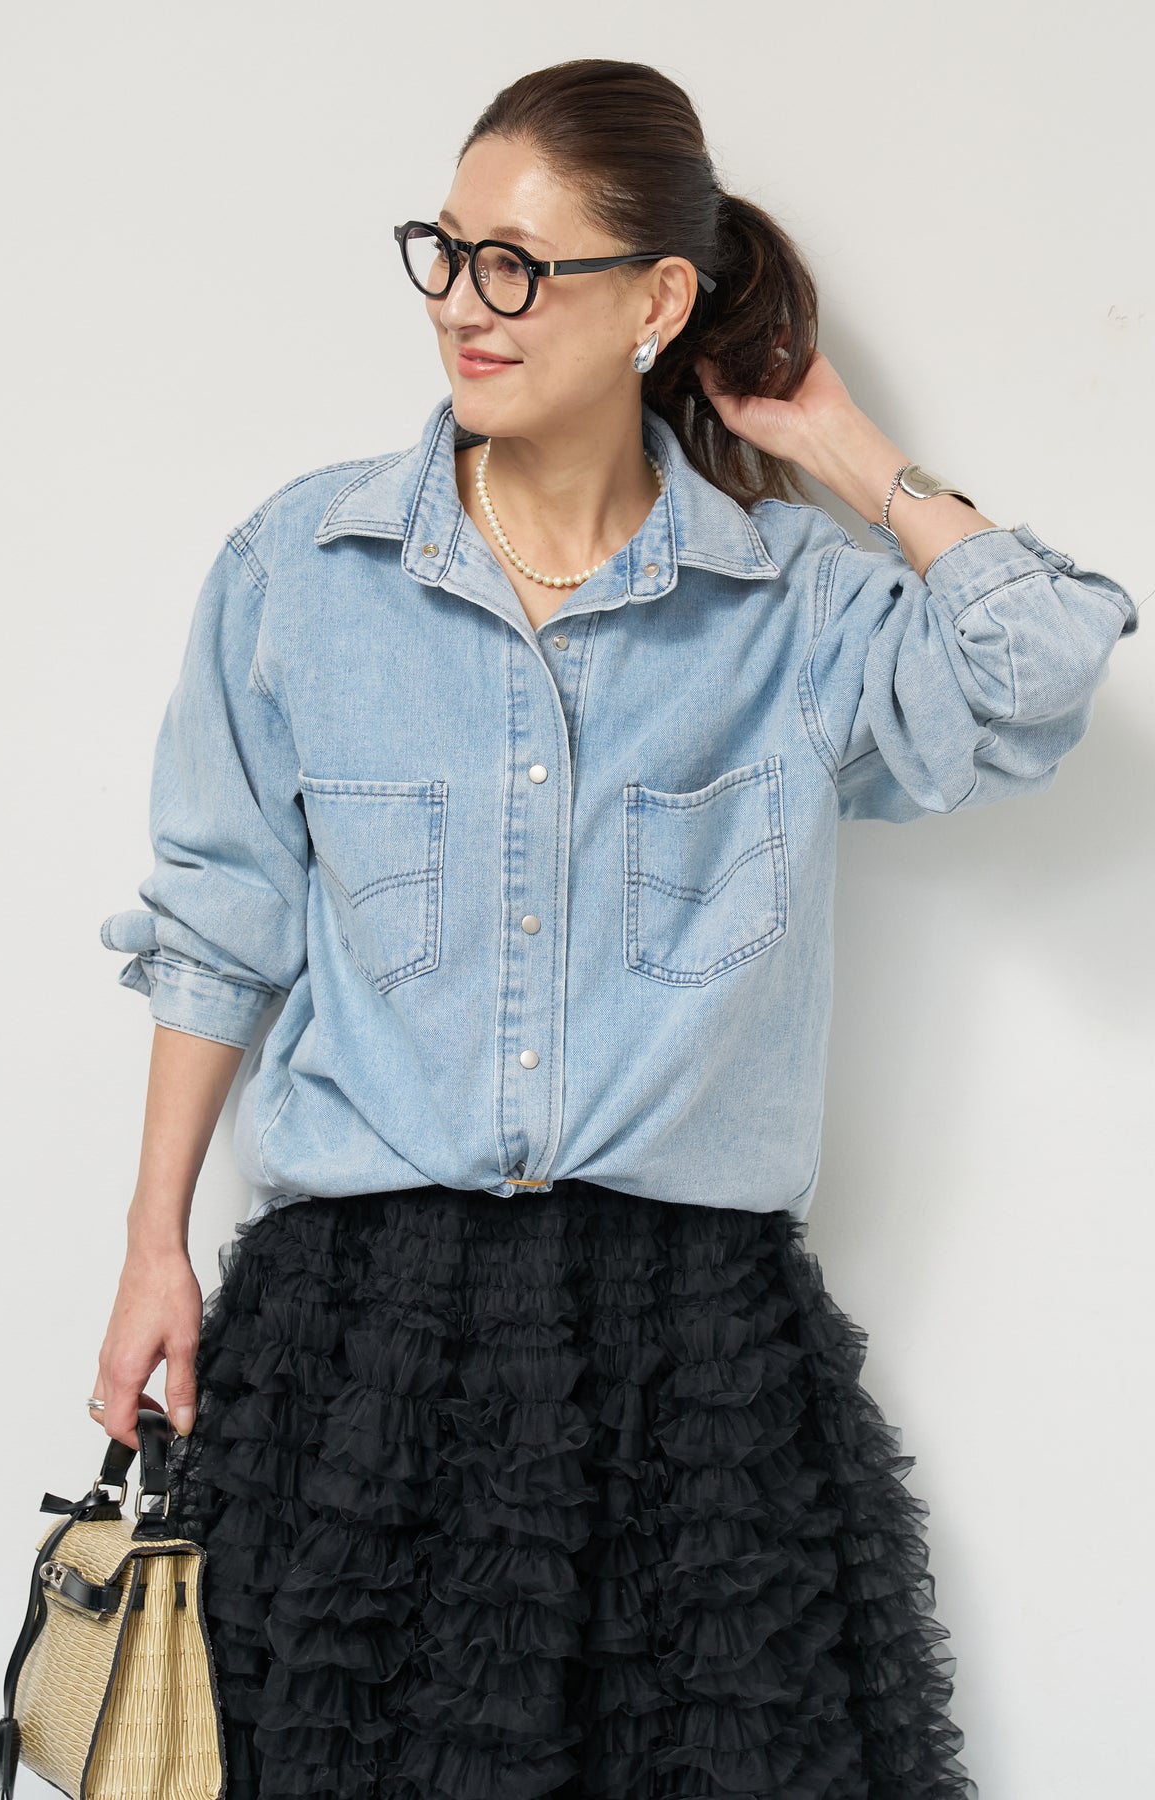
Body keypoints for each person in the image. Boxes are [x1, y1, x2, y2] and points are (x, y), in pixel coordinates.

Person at [90, 56, 1137, 1800]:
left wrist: (835, 442)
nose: (461, 304)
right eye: (445, 252)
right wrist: (152, 1249)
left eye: (517, 266)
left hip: (691, 1366)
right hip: (366, 1343)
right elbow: (220, 925)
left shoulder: (789, 609)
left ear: (657, 301)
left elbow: (1036, 672)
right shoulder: (302, 573)